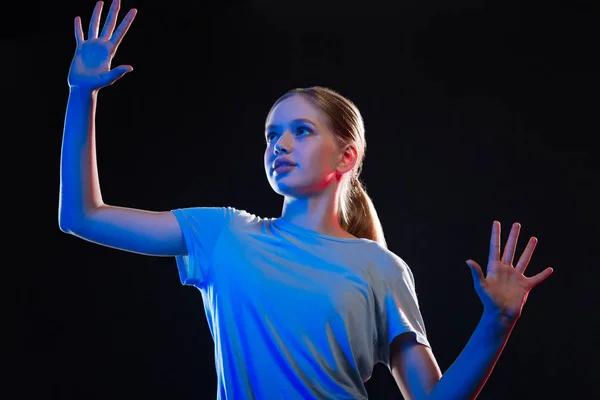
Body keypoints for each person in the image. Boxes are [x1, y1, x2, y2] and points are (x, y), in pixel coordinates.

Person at [58, 1, 554, 399]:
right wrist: (82, 94)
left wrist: (497, 323)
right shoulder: (223, 233)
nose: (281, 144)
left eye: (301, 131)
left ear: (345, 157)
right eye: (273, 134)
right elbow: (82, 216)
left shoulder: (379, 268)